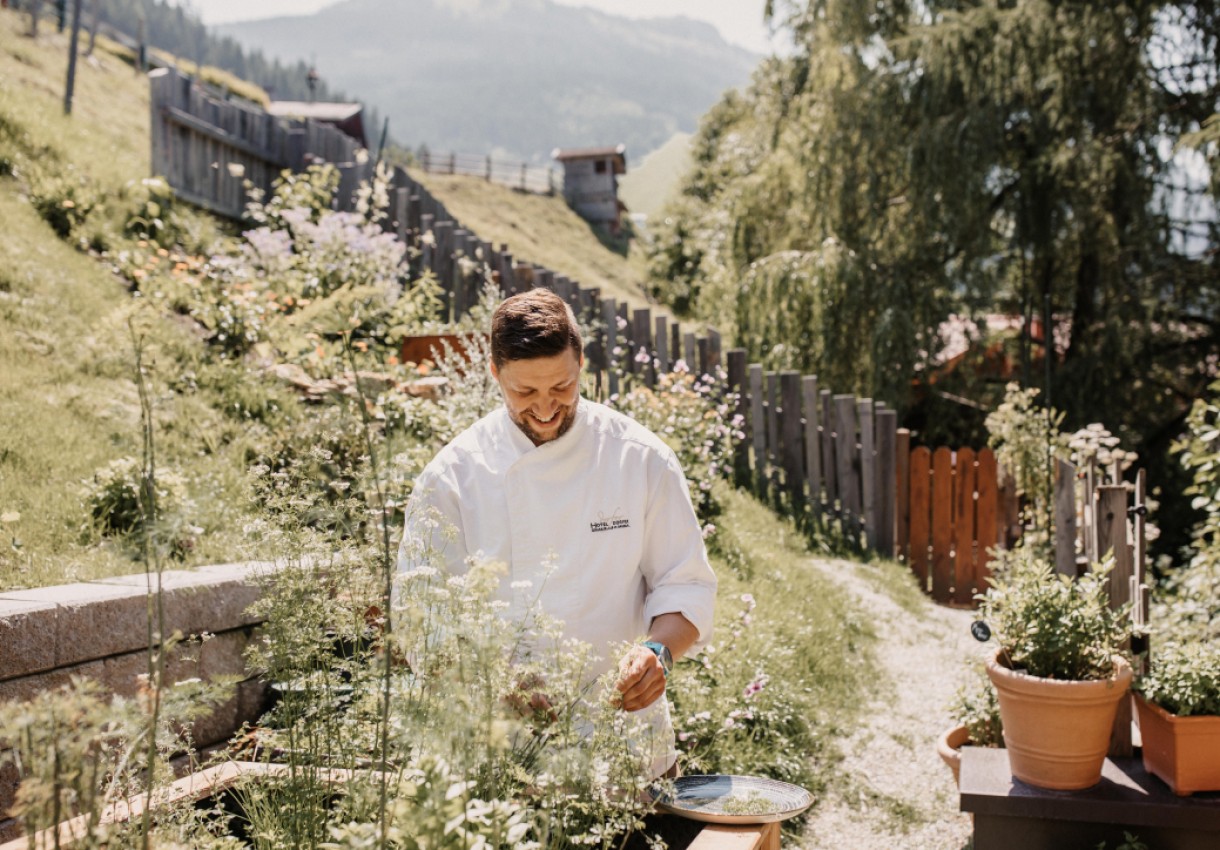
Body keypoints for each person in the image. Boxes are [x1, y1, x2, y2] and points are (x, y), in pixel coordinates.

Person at [397, 288, 717, 778]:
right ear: (494, 373)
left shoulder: (639, 458)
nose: (545, 409)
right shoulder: (452, 477)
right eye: (524, 392)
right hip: (493, 743)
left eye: (561, 387)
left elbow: (685, 583)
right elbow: (421, 616)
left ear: (582, 363)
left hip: (623, 733)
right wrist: (498, 690)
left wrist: (658, 653)